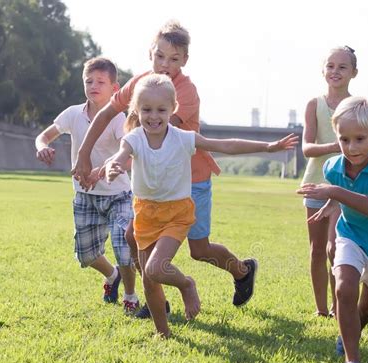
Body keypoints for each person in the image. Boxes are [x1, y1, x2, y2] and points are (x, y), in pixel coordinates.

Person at [71, 20, 261, 319]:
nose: (165, 64)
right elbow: (109, 112)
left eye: (174, 59)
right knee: (135, 237)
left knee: (199, 250)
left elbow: (154, 139)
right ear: (151, 53)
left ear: (184, 60)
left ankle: (242, 270)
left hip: (189, 181)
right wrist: (84, 155)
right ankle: (156, 298)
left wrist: (111, 164)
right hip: (153, 186)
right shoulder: (141, 82)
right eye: (160, 56)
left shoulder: (184, 92)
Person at [105, 74, 298, 338]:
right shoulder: (135, 138)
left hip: (176, 213)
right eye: (146, 110)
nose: (153, 116)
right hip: (145, 213)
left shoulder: (183, 138)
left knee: (154, 267)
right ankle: (163, 333)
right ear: (137, 110)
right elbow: (119, 155)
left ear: (173, 109)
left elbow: (225, 145)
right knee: (150, 281)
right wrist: (113, 166)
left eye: (161, 110)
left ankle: (186, 285)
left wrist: (268, 146)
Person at [297, 97, 368, 363]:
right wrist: (331, 205)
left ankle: (350, 330)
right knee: (344, 288)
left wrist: (333, 195)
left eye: (360, 139)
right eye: (344, 139)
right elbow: (340, 189)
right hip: (350, 236)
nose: (351, 147)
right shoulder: (333, 167)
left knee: (367, 309)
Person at [35, 57, 138, 312]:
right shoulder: (72, 114)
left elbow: (131, 158)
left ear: (115, 88)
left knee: (122, 245)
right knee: (86, 254)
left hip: (118, 194)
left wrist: (102, 172)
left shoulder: (118, 119)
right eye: (88, 81)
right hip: (84, 195)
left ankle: (130, 295)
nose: (93, 85)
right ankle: (112, 276)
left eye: (101, 82)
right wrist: (43, 147)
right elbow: (44, 136)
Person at [300, 46, 358, 318]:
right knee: (316, 249)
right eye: (331, 66)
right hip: (314, 183)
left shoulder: (356, 107)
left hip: (345, 186)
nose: (335, 71)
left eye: (342, 67)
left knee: (335, 248)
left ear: (354, 73)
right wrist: (335, 146)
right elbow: (307, 148)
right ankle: (321, 309)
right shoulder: (314, 104)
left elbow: (363, 147)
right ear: (323, 70)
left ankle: (339, 306)